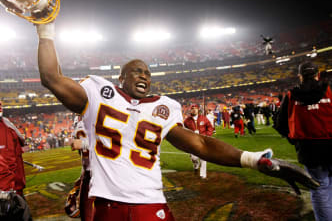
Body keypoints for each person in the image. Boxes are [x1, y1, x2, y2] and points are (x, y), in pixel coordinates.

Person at [35, 21, 318, 220]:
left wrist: (256, 160)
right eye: (136, 71)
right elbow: (51, 77)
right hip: (108, 205)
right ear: (121, 78)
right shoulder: (98, 93)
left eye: (147, 72)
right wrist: (45, 28)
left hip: (150, 202)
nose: (144, 75)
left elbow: (200, 145)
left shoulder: (164, 106)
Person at [274, 62, 332, 221]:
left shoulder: (292, 96)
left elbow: (280, 125)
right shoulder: (329, 89)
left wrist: (294, 140)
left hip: (309, 148)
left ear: (300, 76)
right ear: (317, 75)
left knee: (319, 187)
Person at [66, 115, 94, 221]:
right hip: (88, 173)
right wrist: (82, 173)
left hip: (102, 173)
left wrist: (84, 144)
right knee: (85, 213)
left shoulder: (98, 112)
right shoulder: (78, 118)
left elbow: (111, 143)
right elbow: (82, 154)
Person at [183, 104, 214, 178]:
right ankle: (196, 164)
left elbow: (210, 127)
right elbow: (184, 131)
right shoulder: (187, 120)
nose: (194, 109)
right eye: (192, 108)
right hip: (192, 142)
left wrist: (207, 135)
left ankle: (203, 175)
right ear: (190, 110)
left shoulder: (203, 118)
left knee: (203, 158)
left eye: (195, 108)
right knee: (194, 158)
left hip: (202, 140)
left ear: (198, 109)